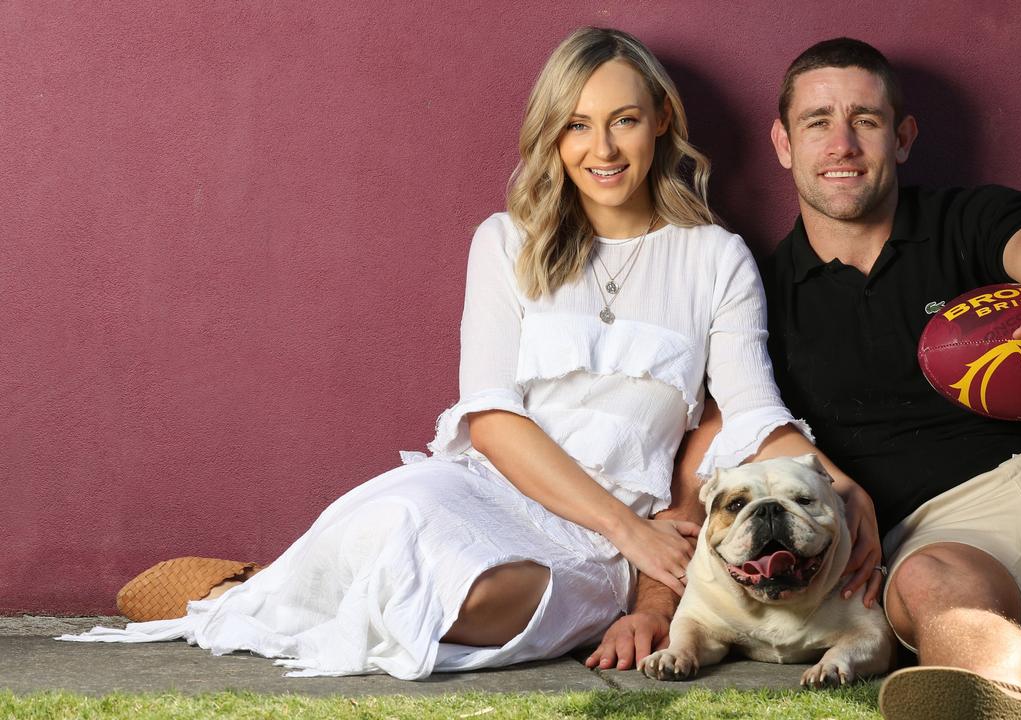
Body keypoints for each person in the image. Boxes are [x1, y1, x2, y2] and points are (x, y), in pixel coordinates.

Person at [59, 27, 881, 681]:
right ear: (553, 136)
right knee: (401, 517)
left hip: (606, 539)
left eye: (624, 119)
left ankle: (285, 588)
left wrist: (835, 486)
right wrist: (630, 531)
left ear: (660, 120)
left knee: (481, 602)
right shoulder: (505, 243)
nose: (603, 148)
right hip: (501, 490)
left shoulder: (715, 257)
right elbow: (490, 417)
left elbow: (751, 407)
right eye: (577, 124)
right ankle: (257, 586)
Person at [592, 38, 1021, 720]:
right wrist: (655, 607)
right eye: (816, 122)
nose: (842, 144)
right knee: (926, 587)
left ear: (902, 137)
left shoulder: (967, 221)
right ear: (782, 143)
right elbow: (709, 455)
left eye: (865, 120)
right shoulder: (759, 295)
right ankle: (1001, 701)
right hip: (948, 540)